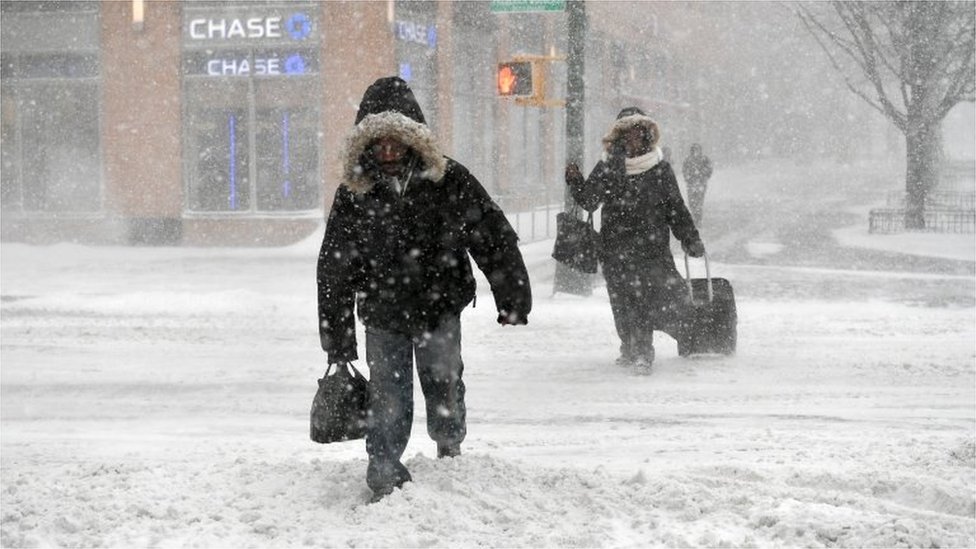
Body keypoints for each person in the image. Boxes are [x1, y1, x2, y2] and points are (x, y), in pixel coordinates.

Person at [317, 76, 532, 502]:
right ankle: (383, 470)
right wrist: (338, 341)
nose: (390, 152)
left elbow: (492, 235)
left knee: (444, 381)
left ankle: (449, 445)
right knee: (388, 397)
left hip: (439, 308)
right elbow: (334, 270)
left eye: (398, 142)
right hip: (383, 313)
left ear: (415, 141)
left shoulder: (449, 179)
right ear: (367, 146)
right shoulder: (355, 194)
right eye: (380, 144)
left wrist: (512, 298)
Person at [565, 107, 704, 372]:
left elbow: (675, 207)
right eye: (627, 132)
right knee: (621, 300)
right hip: (615, 248)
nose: (633, 137)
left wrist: (690, 239)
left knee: (647, 298)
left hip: (652, 248)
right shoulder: (608, 167)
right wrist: (575, 182)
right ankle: (629, 345)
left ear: (646, 134)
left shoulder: (660, 169)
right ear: (619, 136)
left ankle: (643, 351)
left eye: (638, 131)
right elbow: (590, 201)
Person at [681, 143, 713, 225]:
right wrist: (687, 178)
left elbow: (709, 169)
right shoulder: (687, 160)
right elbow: (684, 170)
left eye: (697, 149)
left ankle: (698, 219)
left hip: (701, 184)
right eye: (694, 149)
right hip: (691, 184)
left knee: (699, 202)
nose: (696, 151)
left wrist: (703, 175)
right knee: (692, 202)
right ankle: (694, 217)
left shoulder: (705, 159)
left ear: (700, 150)